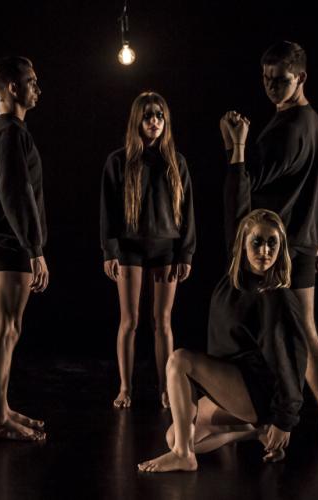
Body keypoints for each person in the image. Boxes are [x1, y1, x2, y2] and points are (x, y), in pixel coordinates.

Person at [138, 113, 308, 473]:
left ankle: (187, 457)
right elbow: (236, 209)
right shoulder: (237, 276)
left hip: (257, 390)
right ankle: (248, 432)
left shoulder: (275, 295)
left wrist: (285, 420)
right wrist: (237, 149)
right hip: (232, 384)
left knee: (179, 360)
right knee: (175, 434)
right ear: (243, 246)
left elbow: (294, 360)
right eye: (257, 242)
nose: (264, 250)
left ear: (281, 250)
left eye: (272, 245)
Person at [222, 41, 318, 442]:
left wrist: (236, 147)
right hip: (303, 243)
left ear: (301, 78)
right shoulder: (313, 121)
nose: (271, 87)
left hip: (280, 249)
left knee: (284, 335)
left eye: (280, 80)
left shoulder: (290, 129)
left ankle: (284, 422)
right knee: (300, 332)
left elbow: (249, 183)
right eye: (266, 78)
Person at [100, 91, 195, 409]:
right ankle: (125, 388)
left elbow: (188, 212)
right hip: (129, 249)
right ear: (137, 120)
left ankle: (166, 389)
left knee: (163, 322)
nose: (154, 121)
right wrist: (109, 250)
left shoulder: (176, 161)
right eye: (148, 116)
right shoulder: (118, 161)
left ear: (165, 121)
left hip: (166, 249)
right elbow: (108, 209)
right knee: (129, 320)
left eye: (159, 115)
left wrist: (186, 253)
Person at [0, 56, 48, 441]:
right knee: (4, 329)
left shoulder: (11, 131)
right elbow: (15, 196)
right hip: (9, 245)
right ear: (13, 88)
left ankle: (1, 410)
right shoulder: (10, 132)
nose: (38, 87)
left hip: (10, 243)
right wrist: (34, 249)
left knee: (10, 329)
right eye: (32, 81)